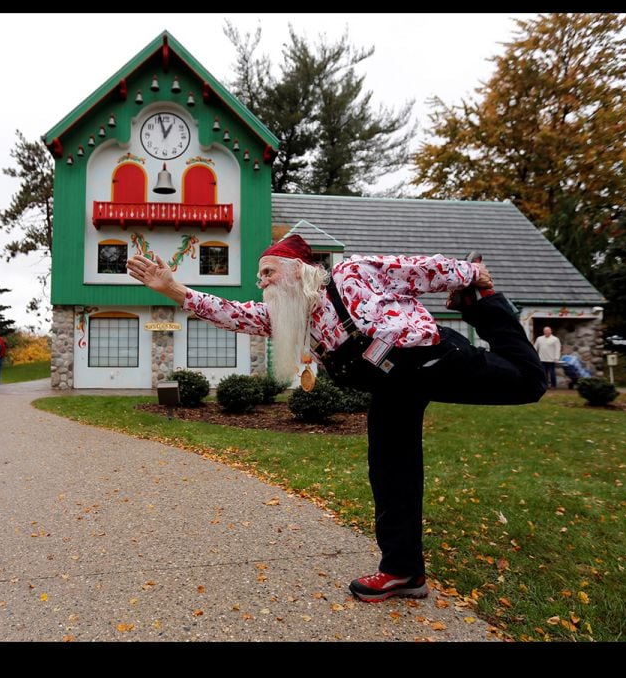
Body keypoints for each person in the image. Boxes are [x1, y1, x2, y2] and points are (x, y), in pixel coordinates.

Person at [126, 235, 545, 602]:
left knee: (529, 383)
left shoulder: (351, 273)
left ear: (299, 270)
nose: (262, 282)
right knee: (389, 475)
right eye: (260, 276)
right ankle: (404, 571)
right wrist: (173, 289)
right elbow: (230, 311)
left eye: (268, 271)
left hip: (431, 358)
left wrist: (471, 274)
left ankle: (485, 305)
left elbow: (420, 271)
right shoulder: (292, 317)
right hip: (391, 389)